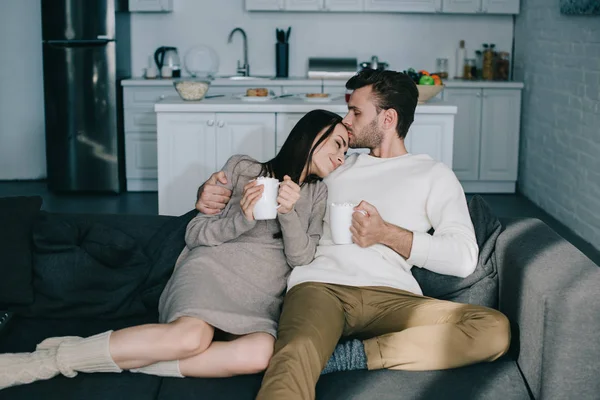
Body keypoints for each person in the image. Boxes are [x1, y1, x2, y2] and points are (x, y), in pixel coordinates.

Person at [197, 70, 511, 400]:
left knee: (493, 329)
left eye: (356, 112)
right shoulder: (337, 165)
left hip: (394, 296)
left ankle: (352, 357)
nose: (346, 121)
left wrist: (387, 234)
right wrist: (211, 193)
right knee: (292, 362)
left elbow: (463, 258)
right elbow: (272, 175)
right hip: (320, 287)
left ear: (388, 118)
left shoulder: (433, 174)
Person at [0, 109, 349, 390]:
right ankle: (45, 363)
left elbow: (302, 258)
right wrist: (241, 218)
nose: (342, 155)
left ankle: (119, 356)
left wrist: (288, 214)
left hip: (260, 296)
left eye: (347, 150)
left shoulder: (318, 195)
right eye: (337, 144)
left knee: (261, 353)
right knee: (191, 336)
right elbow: (196, 232)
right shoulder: (245, 169)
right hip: (211, 271)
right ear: (312, 136)